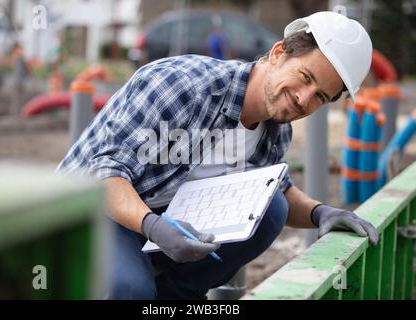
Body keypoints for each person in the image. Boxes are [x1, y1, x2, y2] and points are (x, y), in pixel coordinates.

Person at [57, 11, 379, 299]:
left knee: (272, 208)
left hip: (159, 218)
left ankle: (176, 296)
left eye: (319, 96)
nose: (303, 99)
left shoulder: (276, 127)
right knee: (130, 289)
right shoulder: (183, 86)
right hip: (88, 211)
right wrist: (153, 226)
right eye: (305, 77)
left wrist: (320, 213)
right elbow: (102, 174)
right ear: (279, 53)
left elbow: (276, 190)